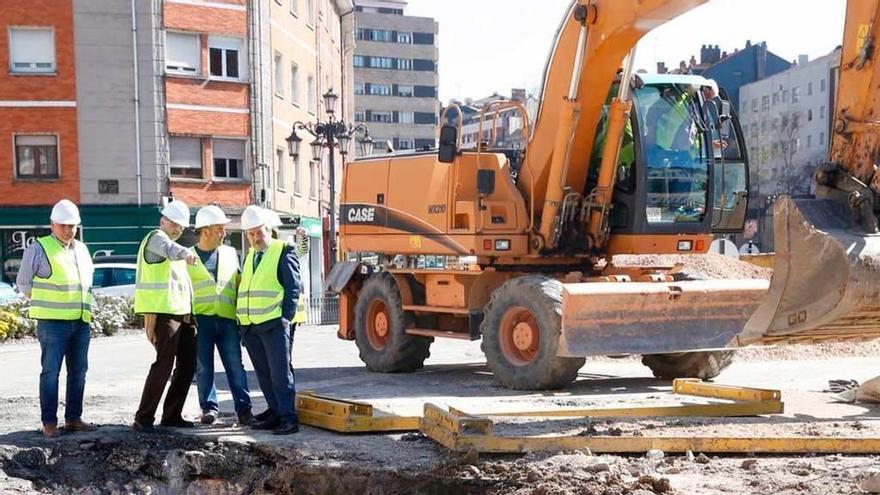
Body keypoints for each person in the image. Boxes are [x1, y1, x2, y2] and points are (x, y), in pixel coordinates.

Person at [16, 200, 96, 438]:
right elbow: (23, 284)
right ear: (52, 224)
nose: (68, 230)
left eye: (72, 226)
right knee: (51, 372)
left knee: (78, 371)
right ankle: (49, 422)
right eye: (63, 225)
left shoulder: (81, 249)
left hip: (81, 322)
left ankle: (73, 418)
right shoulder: (39, 248)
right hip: (53, 323)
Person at [132, 200, 199, 432]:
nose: (178, 229)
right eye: (175, 224)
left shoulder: (172, 244)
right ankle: (143, 417)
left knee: (188, 365)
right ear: (164, 221)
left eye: (181, 226)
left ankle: (172, 415)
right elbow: (172, 250)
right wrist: (187, 253)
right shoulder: (156, 239)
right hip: (164, 314)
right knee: (163, 365)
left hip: (183, 314)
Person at [237, 205, 301, 435]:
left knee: (280, 373)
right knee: (263, 373)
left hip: (274, 322)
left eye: (259, 232)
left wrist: (286, 318)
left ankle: (288, 418)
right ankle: (275, 411)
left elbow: (293, 287)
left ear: (269, 229)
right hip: (251, 324)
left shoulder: (284, 249)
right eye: (251, 234)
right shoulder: (251, 255)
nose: (256, 237)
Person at [188, 205, 253, 426]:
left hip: (227, 320)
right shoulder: (188, 257)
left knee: (235, 364)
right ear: (205, 231)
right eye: (219, 229)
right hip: (201, 320)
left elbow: (237, 283)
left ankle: (244, 410)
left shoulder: (229, 253)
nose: (224, 234)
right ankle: (209, 408)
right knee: (204, 366)